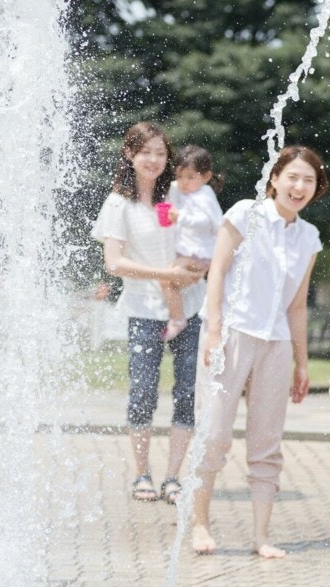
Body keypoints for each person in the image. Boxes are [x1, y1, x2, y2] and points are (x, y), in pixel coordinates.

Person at [190, 146, 327, 558]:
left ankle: (261, 537)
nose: (299, 187)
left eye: (309, 180)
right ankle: (199, 522)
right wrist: (214, 331)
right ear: (274, 179)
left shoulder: (309, 237)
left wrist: (302, 363)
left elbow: (297, 305)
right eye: (293, 177)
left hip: (277, 344)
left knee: (266, 443)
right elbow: (216, 274)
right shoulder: (244, 213)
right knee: (213, 435)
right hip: (231, 334)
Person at [91, 122, 207, 505]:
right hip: (143, 309)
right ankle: (142, 472)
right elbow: (114, 263)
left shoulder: (176, 193)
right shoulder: (117, 204)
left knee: (188, 391)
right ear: (129, 154)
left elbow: (207, 234)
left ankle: (173, 477)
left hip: (190, 306)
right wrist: (165, 276)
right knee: (142, 391)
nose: (154, 160)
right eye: (146, 152)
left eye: (160, 153)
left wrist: (198, 271)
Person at [162, 146, 223, 341]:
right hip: (193, 254)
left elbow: (210, 222)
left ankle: (177, 319)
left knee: (167, 280)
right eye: (180, 177)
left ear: (206, 177)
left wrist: (181, 217)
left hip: (200, 255)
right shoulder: (188, 192)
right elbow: (170, 190)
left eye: (189, 177)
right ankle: (179, 317)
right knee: (171, 281)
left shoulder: (204, 195)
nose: (183, 183)